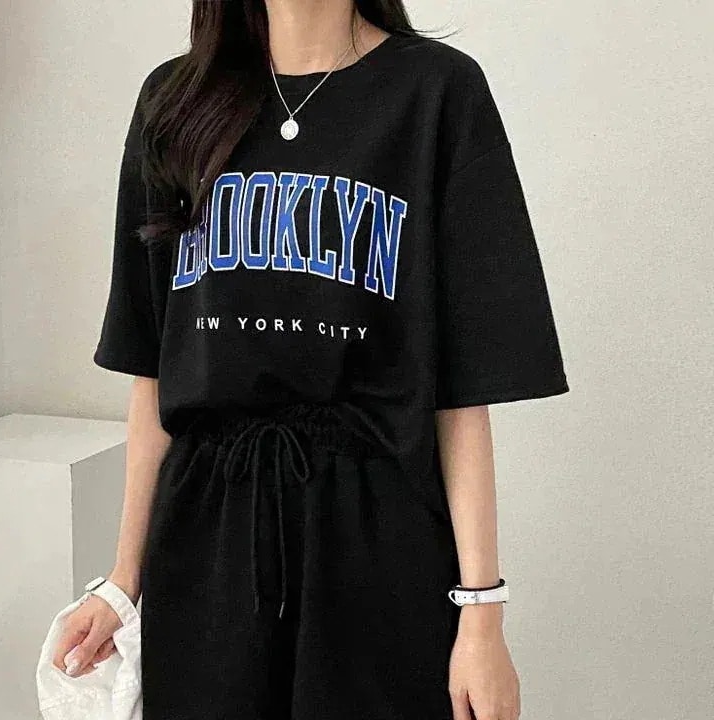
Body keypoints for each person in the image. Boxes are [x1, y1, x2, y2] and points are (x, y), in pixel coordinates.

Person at [53, 1, 570, 719]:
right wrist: (122, 581)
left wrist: (481, 615)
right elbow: (156, 372)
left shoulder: (436, 92)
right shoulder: (175, 101)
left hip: (377, 535)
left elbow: (459, 391)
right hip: (205, 540)